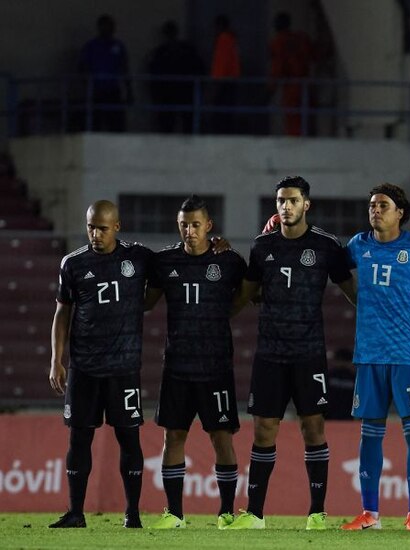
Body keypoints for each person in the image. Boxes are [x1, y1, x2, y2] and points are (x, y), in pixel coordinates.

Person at [227, 176, 357, 530]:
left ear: (306, 204)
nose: (286, 206)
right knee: (264, 429)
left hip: (309, 352)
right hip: (269, 351)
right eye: (281, 200)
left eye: (293, 200)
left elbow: (354, 293)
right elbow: (246, 294)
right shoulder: (261, 246)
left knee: (313, 428)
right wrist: (214, 317)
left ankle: (317, 513)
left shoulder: (327, 246)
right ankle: (254, 514)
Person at [340, 183, 410, 532]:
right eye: (372, 205)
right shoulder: (359, 245)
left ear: (400, 212)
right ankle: (369, 513)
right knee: (370, 433)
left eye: (383, 205)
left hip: (408, 354)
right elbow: (332, 267)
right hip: (370, 354)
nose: (375, 210)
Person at [48, 201, 153, 528]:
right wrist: (57, 359)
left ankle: (132, 514)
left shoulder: (137, 257)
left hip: (124, 368)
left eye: (103, 228)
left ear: (117, 227)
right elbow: (62, 312)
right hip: (84, 367)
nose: (95, 234)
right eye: (91, 227)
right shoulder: (73, 263)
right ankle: (75, 512)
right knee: (79, 438)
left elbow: (175, 265)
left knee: (129, 438)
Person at [143, 195, 246, 529]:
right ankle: (174, 514)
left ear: (209, 226)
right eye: (184, 224)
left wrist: (223, 315)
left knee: (221, 438)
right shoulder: (164, 263)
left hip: (216, 367)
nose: (189, 230)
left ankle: (227, 512)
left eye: (196, 224)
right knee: (173, 437)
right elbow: (147, 303)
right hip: (177, 367)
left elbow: (250, 293)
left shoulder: (229, 261)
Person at [147, 20, 204, 133]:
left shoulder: (162, 52)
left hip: (176, 93)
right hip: (176, 93)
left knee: (178, 123)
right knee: (175, 123)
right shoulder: (166, 51)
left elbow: (198, 68)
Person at [78, 14, 131, 132]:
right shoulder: (91, 46)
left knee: (117, 126)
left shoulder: (118, 46)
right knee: (95, 125)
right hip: (97, 91)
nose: (110, 29)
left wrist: (129, 90)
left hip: (113, 91)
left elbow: (125, 68)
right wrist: (87, 86)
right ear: (100, 27)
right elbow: (82, 67)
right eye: (106, 26)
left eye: (112, 26)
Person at [269, 12, 313, 136]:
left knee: (293, 123)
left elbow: (277, 68)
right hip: (306, 85)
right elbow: (315, 54)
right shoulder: (301, 38)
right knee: (306, 120)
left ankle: (296, 147)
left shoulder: (279, 42)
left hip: (291, 87)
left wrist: (269, 91)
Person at [209, 15, 241, 134]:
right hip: (231, 83)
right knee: (227, 117)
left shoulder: (224, 39)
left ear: (220, 26)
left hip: (224, 84)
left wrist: (215, 90)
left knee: (220, 119)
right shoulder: (232, 40)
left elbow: (221, 65)